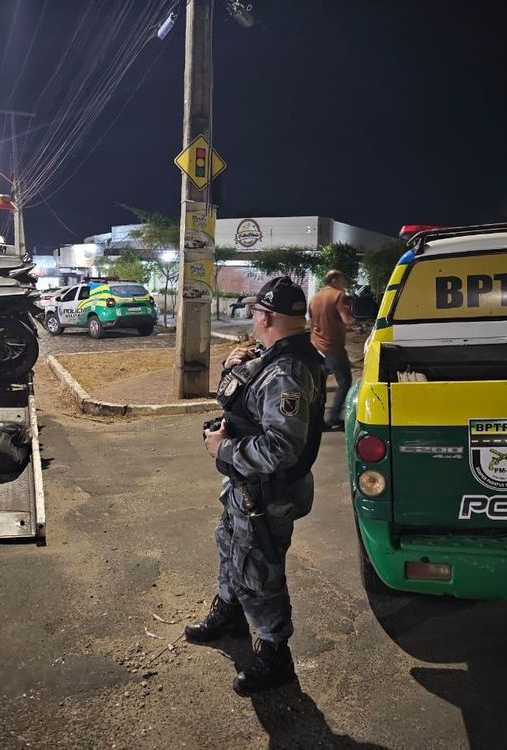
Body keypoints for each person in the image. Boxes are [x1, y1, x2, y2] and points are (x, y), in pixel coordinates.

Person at [187, 276, 325, 695]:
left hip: (269, 492)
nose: (251, 317)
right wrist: (236, 364)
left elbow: (281, 448)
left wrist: (224, 449)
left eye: (254, 311)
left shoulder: (288, 371)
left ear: (267, 317)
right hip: (249, 490)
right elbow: (248, 400)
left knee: (260, 570)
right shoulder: (277, 357)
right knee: (232, 546)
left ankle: (274, 654)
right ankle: (229, 614)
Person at [308, 269, 355, 430]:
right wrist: (358, 322)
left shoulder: (315, 298)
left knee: (318, 387)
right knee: (345, 381)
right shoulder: (338, 296)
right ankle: (334, 416)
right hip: (333, 348)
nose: (343, 284)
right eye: (342, 280)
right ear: (334, 280)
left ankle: (316, 420)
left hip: (316, 348)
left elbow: (313, 321)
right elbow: (347, 319)